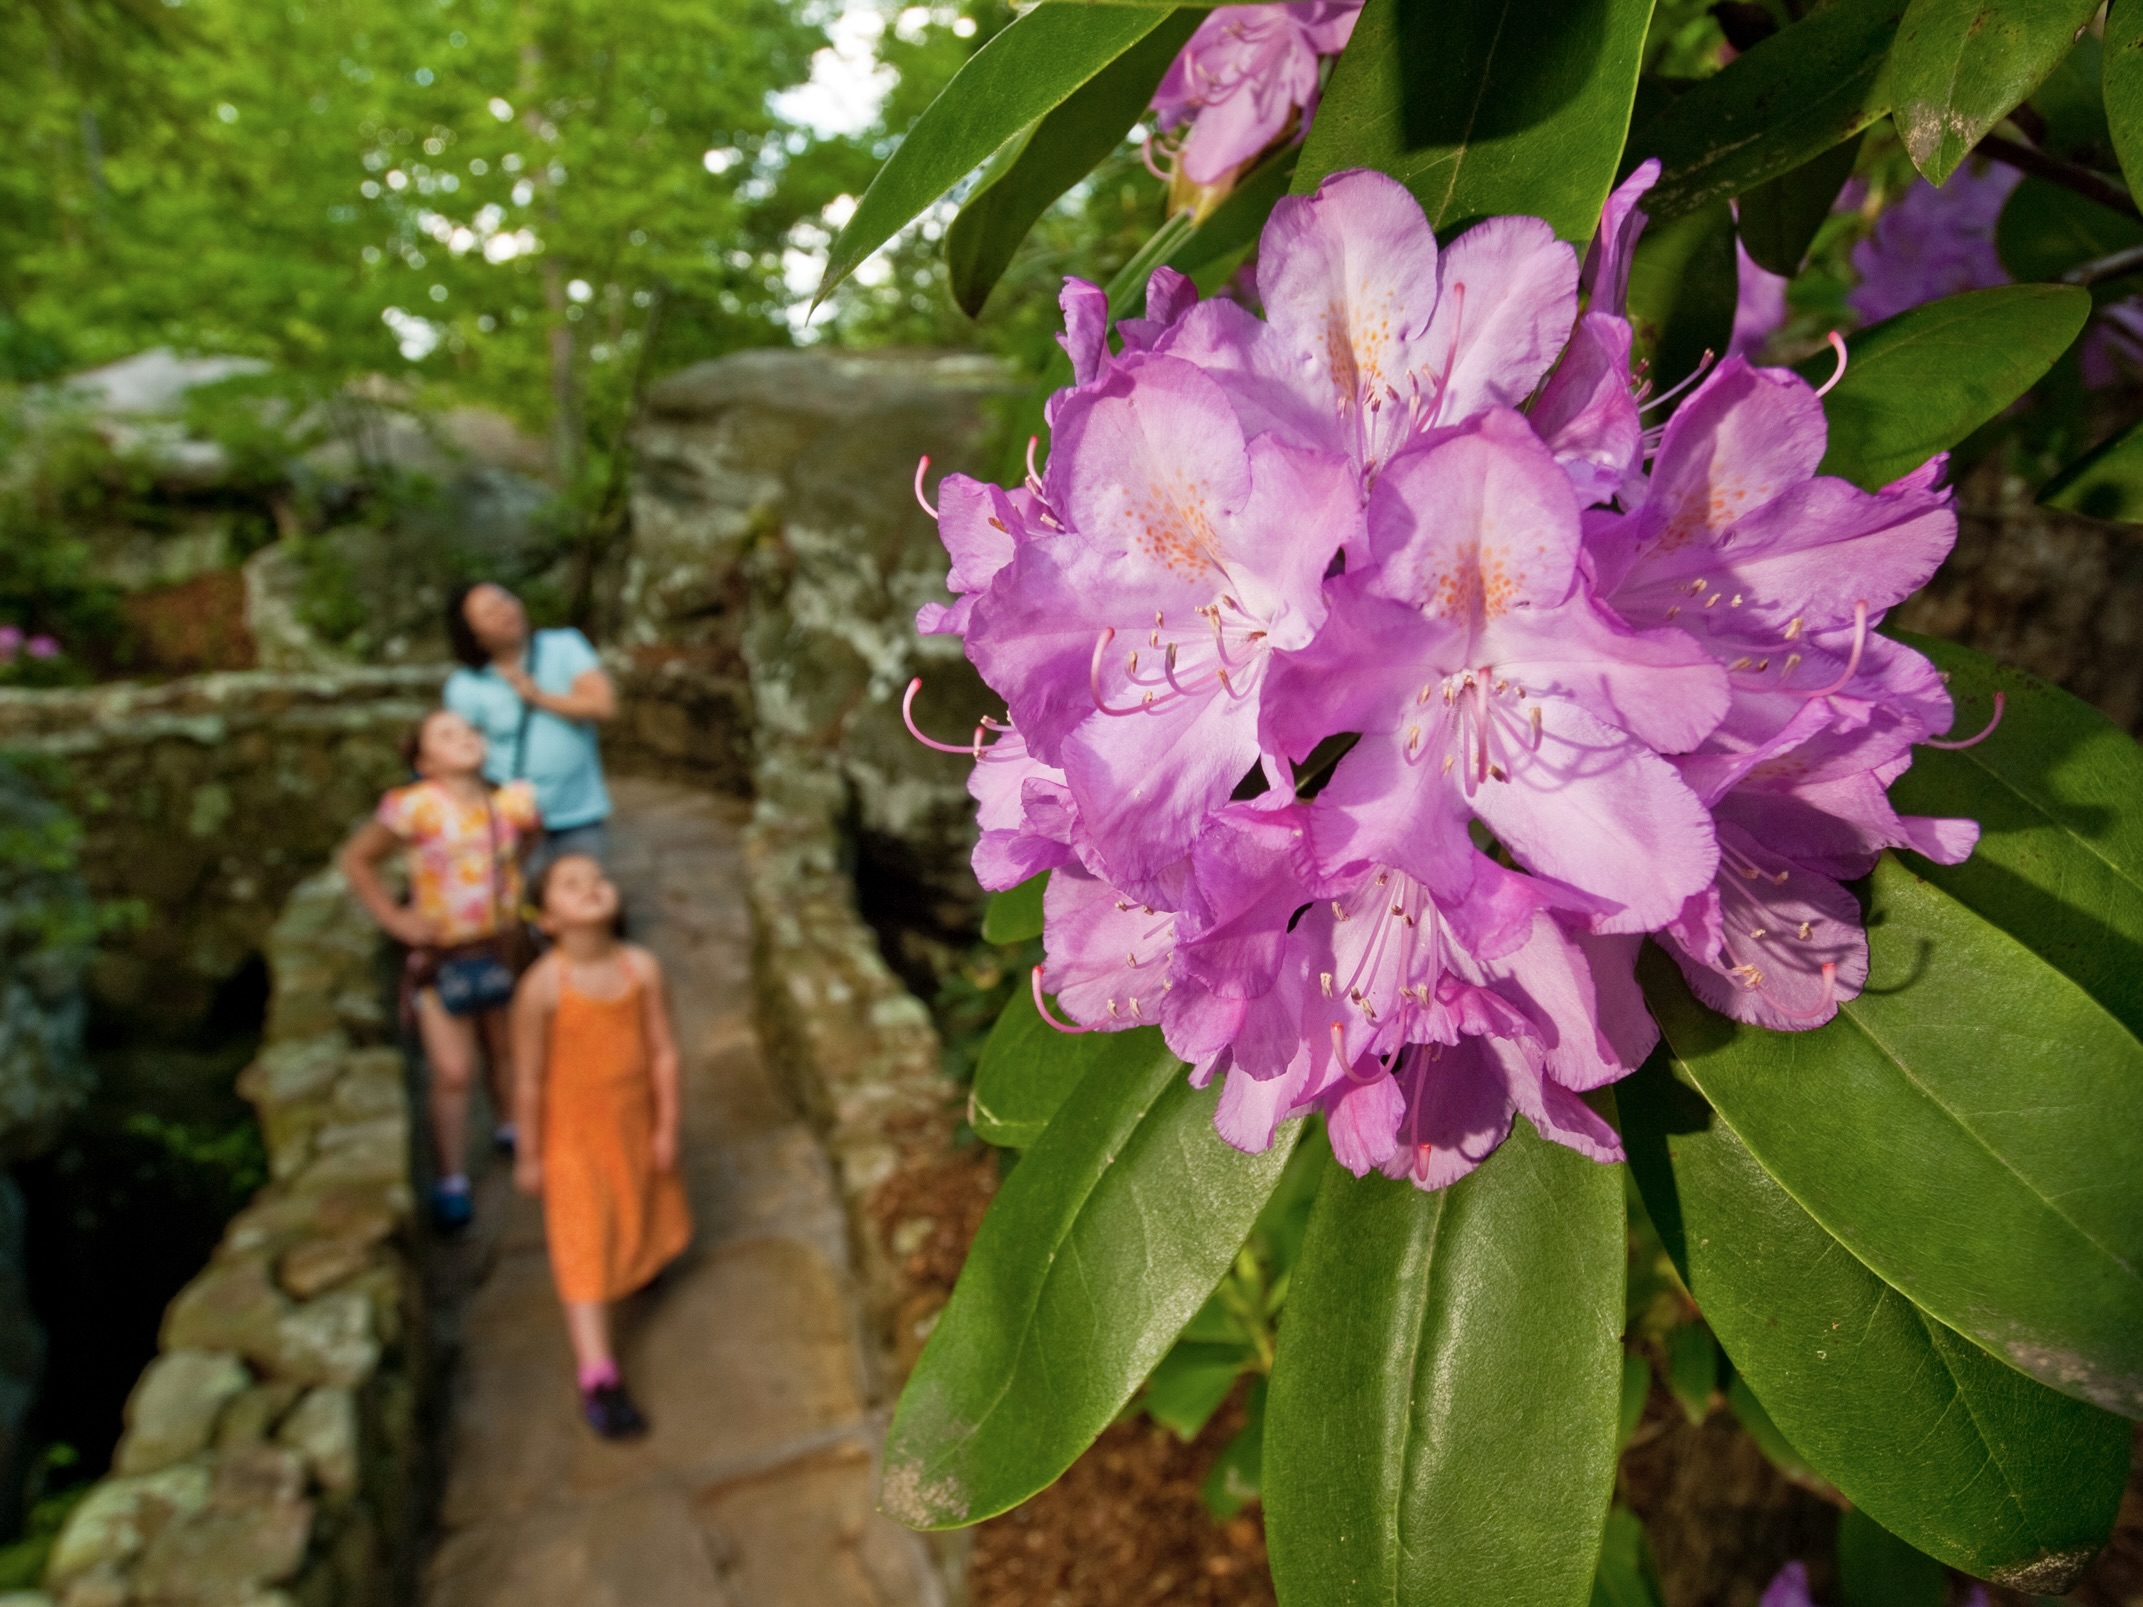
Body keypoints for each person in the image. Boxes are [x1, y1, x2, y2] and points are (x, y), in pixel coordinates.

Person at [510, 851, 690, 1440]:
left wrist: (666, 1125)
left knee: (641, 1204)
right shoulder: (541, 989)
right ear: (548, 919)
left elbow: (663, 1050)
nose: (590, 887)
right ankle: (598, 1371)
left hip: (633, 1122)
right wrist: (530, 1153)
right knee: (584, 1241)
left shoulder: (641, 968)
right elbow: (529, 1077)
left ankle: (640, 1265)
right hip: (574, 1140)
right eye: (569, 884)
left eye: (597, 878)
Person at [340, 709, 540, 1232]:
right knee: (453, 1071)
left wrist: (518, 861)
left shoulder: (510, 801)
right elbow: (358, 859)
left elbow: (524, 847)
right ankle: (451, 1178)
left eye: (469, 730)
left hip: (500, 946)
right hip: (442, 956)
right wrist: (395, 919)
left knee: (505, 1049)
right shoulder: (414, 809)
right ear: (426, 761)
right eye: (447, 735)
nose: (465, 738)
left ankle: (510, 1126)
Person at [443, 582, 616, 872]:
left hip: (578, 811)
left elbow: (603, 705)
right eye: (489, 612)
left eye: (504, 600)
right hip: (511, 818)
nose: (503, 612)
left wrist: (539, 697)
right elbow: (460, 753)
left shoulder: (565, 646)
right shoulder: (465, 686)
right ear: (474, 634)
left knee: (574, 898)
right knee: (515, 900)